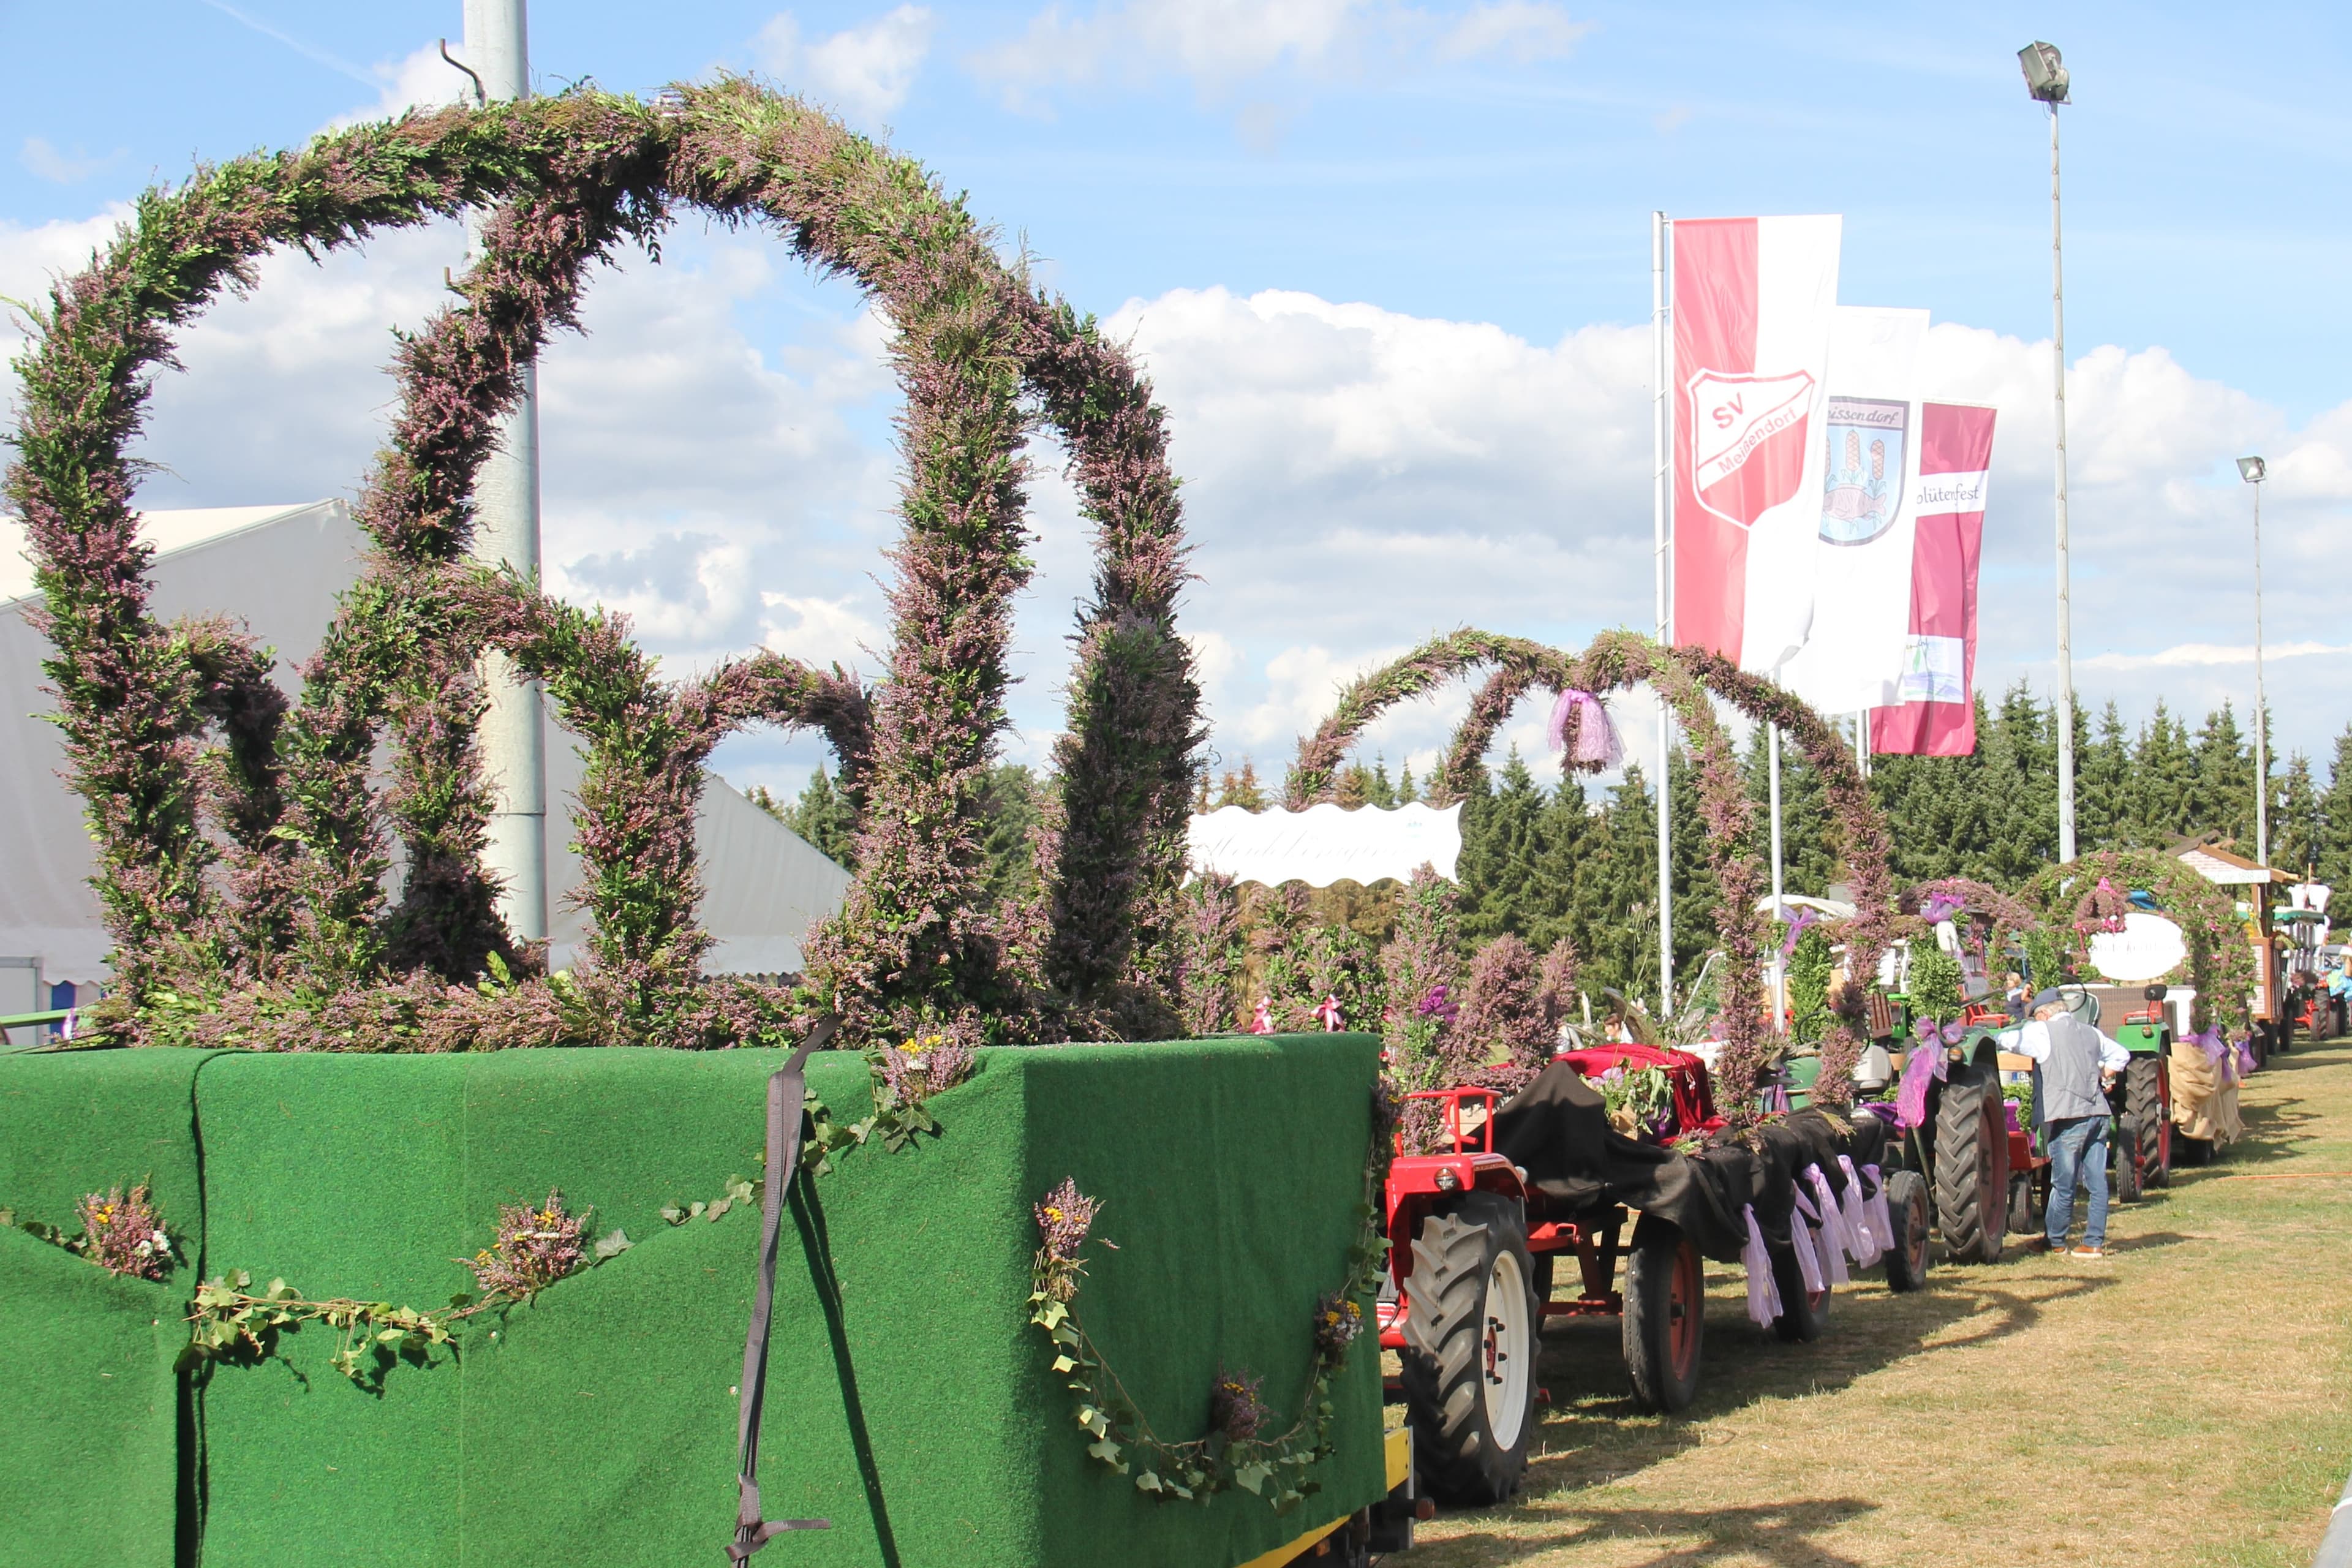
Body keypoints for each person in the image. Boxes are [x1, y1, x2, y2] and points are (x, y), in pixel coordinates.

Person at [1999, 987, 2130, 1259]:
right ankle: (2093, 1242)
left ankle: (2056, 1241)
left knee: (2064, 1184)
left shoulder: (2042, 1031)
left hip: (2069, 1117)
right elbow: (2122, 1055)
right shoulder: (2091, 1032)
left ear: (2045, 1013)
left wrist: (1986, 1036)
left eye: (2036, 1017)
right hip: (2099, 1114)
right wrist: (2101, 1075)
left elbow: (2010, 1040)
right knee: (2097, 1183)